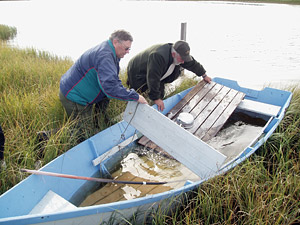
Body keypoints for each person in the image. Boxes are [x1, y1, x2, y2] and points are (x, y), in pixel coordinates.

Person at [59, 30, 148, 129]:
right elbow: (110, 88)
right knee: (82, 133)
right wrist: (134, 96)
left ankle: (99, 124)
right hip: (75, 96)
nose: (127, 52)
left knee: (88, 125)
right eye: (126, 48)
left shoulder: (112, 52)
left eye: (129, 49)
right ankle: (44, 137)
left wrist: (127, 94)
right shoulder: (105, 56)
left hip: (82, 92)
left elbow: (113, 79)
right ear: (115, 42)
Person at [127, 40, 211, 111]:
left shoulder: (180, 55)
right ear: (174, 54)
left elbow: (193, 64)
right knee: (138, 92)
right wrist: (156, 99)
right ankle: (131, 108)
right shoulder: (158, 56)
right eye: (182, 59)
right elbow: (153, 78)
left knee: (159, 94)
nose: (183, 62)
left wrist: (204, 75)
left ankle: (153, 103)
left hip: (157, 72)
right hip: (137, 70)